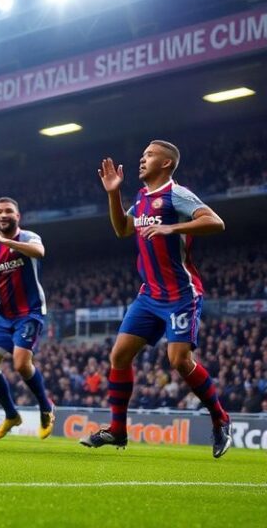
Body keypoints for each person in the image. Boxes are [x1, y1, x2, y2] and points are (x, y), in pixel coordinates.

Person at [80, 140, 231, 458]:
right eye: (143, 154)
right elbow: (123, 229)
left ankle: (220, 420)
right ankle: (117, 431)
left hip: (180, 295)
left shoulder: (177, 194)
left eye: (149, 155)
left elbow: (215, 222)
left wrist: (171, 228)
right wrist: (113, 193)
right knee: (119, 356)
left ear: (166, 163)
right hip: (149, 295)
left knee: (179, 361)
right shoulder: (141, 197)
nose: (141, 159)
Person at [0, 197, 55, 440]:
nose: (3, 215)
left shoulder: (29, 237)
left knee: (21, 364)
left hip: (30, 312)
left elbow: (40, 252)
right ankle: (11, 415)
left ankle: (46, 407)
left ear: (17, 216)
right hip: (4, 314)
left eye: (8, 211)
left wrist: (6, 241)